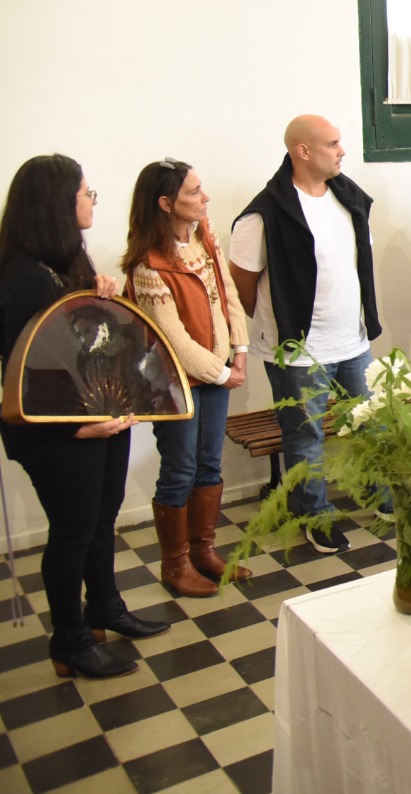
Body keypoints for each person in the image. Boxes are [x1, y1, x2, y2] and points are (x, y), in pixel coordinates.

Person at [0, 156, 169, 679]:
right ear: (57, 204)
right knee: (72, 531)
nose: (93, 199)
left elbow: (85, 344)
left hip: (98, 419)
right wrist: (79, 426)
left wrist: (102, 298)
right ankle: (70, 641)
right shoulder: (25, 278)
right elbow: (27, 372)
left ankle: (105, 609)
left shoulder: (67, 262)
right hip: (57, 431)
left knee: (100, 521)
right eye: (85, 192)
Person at [232, 116, 382, 555]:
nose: (342, 151)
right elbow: (242, 280)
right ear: (303, 151)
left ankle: (379, 494)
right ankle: (314, 516)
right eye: (333, 144)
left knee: (372, 422)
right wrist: (276, 324)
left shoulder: (347, 196)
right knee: (305, 437)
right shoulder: (266, 212)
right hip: (298, 349)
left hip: (351, 339)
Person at [123, 161, 249, 597]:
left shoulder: (203, 240)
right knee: (180, 469)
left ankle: (204, 550)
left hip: (216, 374)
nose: (205, 198)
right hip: (176, 385)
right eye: (195, 192)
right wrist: (222, 372)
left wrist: (241, 349)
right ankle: (175, 565)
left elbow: (228, 295)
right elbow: (172, 340)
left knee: (209, 463)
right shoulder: (148, 264)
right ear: (165, 203)